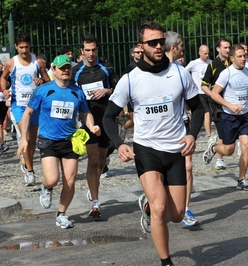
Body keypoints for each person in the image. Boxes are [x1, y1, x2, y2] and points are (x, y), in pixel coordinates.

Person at [102, 21, 204, 266]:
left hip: (175, 149)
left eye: (161, 41)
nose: (159, 46)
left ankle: (146, 203)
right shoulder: (130, 80)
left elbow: (199, 108)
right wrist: (118, 144)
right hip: (146, 149)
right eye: (152, 42)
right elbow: (108, 116)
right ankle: (166, 261)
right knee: (160, 208)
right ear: (141, 46)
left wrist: (192, 134)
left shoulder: (180, 73)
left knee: (177, 214)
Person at [16, 55, 100, 229]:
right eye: (62, 68)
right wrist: (24, 138)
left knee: (70, 181)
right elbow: (27, 113)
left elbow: (85, 113)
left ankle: (61, 214)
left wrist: (92, 127)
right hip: (48, 141)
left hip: (70, 141)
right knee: (53, 179)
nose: (66, 70)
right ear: (53, 70)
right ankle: (46, 188)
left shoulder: (77, 91)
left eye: (68, 67)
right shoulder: (43, 90)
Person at [71, 33, 119, 219]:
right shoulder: (76, 71)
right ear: (82, 51)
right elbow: (70, 92)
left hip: (106, 118)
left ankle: (94, 185)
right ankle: (95, 203)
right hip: (87, 120)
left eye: (93, 50)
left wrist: (106, 90)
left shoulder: (107, 68)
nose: (91, 54)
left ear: (97, 50)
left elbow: (118, 89)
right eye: (87, 50)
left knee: (100, 160)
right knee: (92, 159)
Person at [203, 44, 248, 191]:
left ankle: (241, 180)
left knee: (246, 146)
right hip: (229, 116)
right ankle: (215, 147)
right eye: (240, 56)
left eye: (245, 56)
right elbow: (215, 94)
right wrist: (229, 105)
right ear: (232, 58)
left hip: (243, 116)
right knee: (229, 150)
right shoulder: (226, 73)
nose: (243, 59)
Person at [1, 32, 50, 186]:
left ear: (30, 46)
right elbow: (3, 77)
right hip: (19, 105)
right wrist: (4, 90)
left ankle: (27, 163)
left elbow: (48, 81)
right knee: (26, 138)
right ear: (16, 47)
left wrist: (41, 80)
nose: (24, 50)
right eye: (21, 47)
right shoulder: (11, 63)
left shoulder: (38, 62)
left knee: (33, 140)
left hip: (35, 105)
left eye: (26, 47)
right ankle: (30, 172)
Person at [165, 32, 198, 226]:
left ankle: (185, 209)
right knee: (164, 170)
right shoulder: (156, 71)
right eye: (181, 46)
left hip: (182, 124)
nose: (183, 50)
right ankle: (152, 201)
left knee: (188, 166)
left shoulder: (181, 71)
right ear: (173, 47)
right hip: (163, 130)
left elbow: (194, 101)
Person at [201, 38, 231, 170]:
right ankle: (219, 159)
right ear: (218, 49)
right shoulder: (213, 66)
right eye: (225, 48)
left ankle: (215, 148)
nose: (228, 50)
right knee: (223, 134)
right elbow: (203, 85)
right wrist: (213, 95)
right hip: (218, 106)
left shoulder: (233, 63)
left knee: (227, 135)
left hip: (232, 103)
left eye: (229, 47)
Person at [185, 45, 212, 147]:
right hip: (198, 92)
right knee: (207, 113)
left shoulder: (210, 63)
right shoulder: (194, 63)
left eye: (208, 53)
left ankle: (209, 134)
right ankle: (209, 136)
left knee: (209, 113)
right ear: (199, 53)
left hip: (209, 92)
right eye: (205, 53)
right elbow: (185, 72)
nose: (207, 55)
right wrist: (192, 83)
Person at [119, 45, 143, 140]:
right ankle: (123, 128)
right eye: (137, 52)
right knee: (134, 121)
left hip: (144, 96)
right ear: (132, 54)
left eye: (141, 52)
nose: (140, 54)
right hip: (133, 97)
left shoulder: (146, 65)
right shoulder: (130, 68)